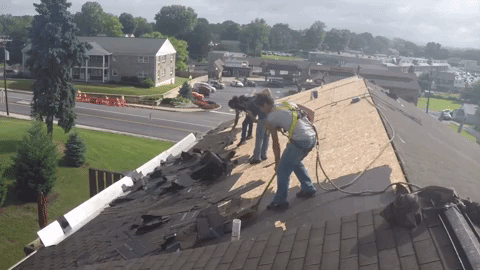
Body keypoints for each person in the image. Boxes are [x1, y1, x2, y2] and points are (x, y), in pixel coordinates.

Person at [255, 93, 317, 211]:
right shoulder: (288, 103)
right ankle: (308, 188)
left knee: (283, 170)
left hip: (301, 141)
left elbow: (276, 144)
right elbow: (311, 113)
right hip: (312, 137)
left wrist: (277, 163)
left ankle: (280, 202)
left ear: (265, 105)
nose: (260, 111)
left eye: (260, 108)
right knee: (295, 161)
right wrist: (305, 131)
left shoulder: (271, 118)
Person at [248, 89, 272, 164]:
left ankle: (257, 157)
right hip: (270, 120)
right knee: (266, 138)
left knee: (259, 138)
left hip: (262, 120)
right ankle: (263, 155)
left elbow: (249, 109)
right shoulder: (269, 100)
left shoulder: (257, 101)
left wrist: (253, 118)